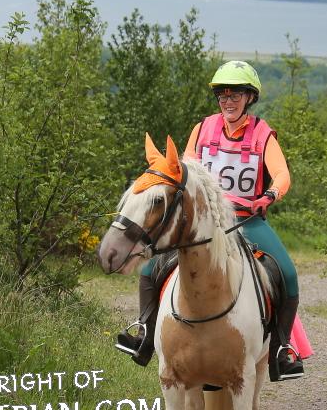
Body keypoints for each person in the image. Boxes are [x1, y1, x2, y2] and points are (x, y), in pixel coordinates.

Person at [116, 60, 304, 381]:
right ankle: (144, 332)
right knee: (150, 268)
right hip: (206, 220)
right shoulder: (203, 128)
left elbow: (282, 174)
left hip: (247, 219)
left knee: (287, 273)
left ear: (249, 97)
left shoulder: (263, 134)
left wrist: (269, 195)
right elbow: (187, 170)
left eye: (235, 95)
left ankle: (281, 349)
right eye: (222, 95)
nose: (228, 101)